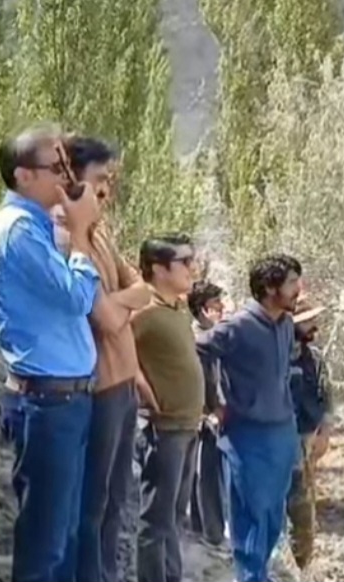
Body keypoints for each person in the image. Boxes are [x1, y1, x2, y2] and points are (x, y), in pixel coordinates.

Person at [0, 123, 106, 582]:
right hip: (46, 402)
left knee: (65, 536)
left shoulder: (36, 226)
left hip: (67, 400)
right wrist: (81, 234)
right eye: (56, 168)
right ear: (23, 175)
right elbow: (77, 297)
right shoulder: (17, 231)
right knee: (45, 543)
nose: (67, 178)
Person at [61, 136, 152, 582]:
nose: (105, 191)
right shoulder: (67, 239)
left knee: (116, 499)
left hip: (123, 384)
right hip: (97, 389)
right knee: (92, 505)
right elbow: (106, 318)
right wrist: (121, 303)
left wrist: (118, 302)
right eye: (99, 179)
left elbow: (143, 290)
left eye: (109, 181)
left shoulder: (100, 232)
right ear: (71, 180)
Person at [196, 254, 303, 582]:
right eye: (292, 282)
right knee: (251, 515)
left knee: (273, 516)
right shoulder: (238, 326)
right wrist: (211, 403)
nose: (299, 289)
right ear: (270, 288)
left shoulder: (285, 324)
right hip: (248, 434)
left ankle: (261, 575)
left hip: (282, 432)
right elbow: (197, 350)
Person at [131, 234, 204, 582]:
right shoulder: (143, 310)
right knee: (155, 520)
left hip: (188, 426)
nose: (192, 268)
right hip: (163, 429)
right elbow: (112, 345)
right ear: (159, 269)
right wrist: (140, 385)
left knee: (174, 516)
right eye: (184, 262)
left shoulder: (176, 308)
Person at [286, 296, 334, 570]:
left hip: (305, 441)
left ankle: (301, 565)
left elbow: (326, 396)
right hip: (275, 442)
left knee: (303, 510)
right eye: (307, 321)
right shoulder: (273, 357)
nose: (314, 326)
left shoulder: (314, 359)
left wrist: (324, 432)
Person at [187, 280, 228, 550]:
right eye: (216, 304)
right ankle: (211, 534)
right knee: (206, 476)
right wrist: (209, 411)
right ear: (203, 309)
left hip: (212, 415)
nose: (221, 308)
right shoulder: (195, 341)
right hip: (201, 418)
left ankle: (203, 530)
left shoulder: (213, 336)